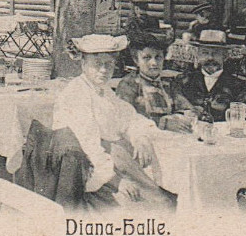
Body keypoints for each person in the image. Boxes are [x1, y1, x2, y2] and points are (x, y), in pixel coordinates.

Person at [52, 34, 174, 209]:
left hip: (115, 163)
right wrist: (117, 182)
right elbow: (88, 147)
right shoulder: (76, 94)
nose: (103, 70)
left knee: (167, 197)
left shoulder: (103, 91)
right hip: (90, 174)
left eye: (108, 64)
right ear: (83, 63)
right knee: (156, 207)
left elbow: (130, 118)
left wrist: (139, 136)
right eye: (97, 64)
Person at [116, 32, 195, 132]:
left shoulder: (168, 82)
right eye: (147, 58)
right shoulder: (128, 84)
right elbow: (124, 119)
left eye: (158, 57)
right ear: (136, 60)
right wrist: (162, 123)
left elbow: (185, 107)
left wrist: (181, 117)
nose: (154, 63)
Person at [177, 29, 246, 122]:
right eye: (205, 53)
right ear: (198, 55)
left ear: (225, 56)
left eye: (216, 53)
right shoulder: (184, 80)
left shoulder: (238, 84)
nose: (210, 58)